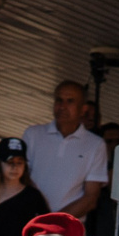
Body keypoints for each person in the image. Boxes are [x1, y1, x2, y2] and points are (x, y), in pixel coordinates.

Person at [22, 81, 109, 218]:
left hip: (68, 228)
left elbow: (91, 198)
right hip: (28, 222)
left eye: (70, 101)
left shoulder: (96, 145)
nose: (62, 106)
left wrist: (52, 223)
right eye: (59, 100)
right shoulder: (33, 134)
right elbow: (19, 179)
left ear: (83, 109)